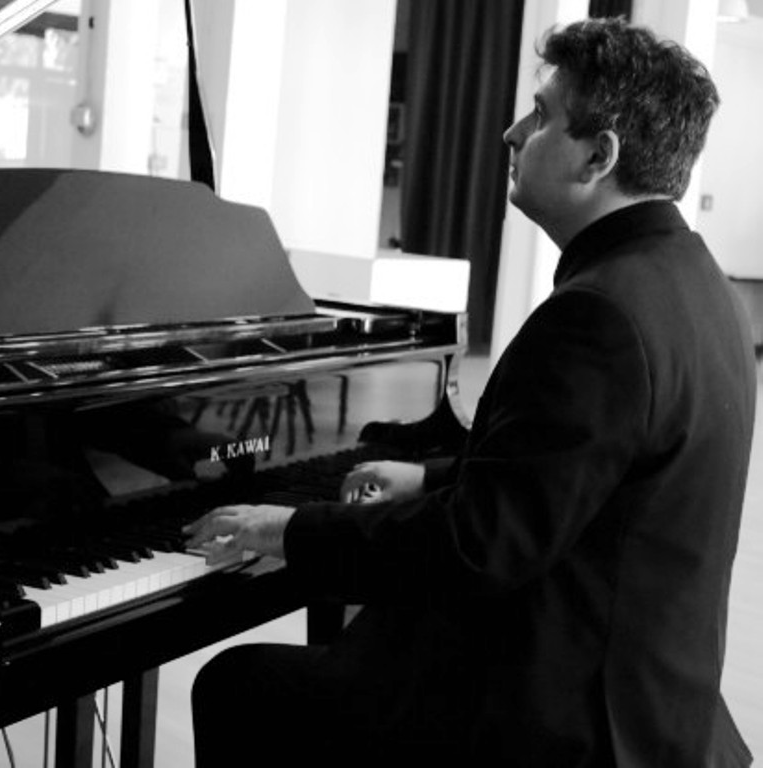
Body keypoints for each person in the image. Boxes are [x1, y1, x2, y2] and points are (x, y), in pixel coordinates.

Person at [184, 16, 756, 767]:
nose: (512, 134)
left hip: (571, 726)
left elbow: (477, 548)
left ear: (599, 156)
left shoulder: (599, 315)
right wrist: (430, 478)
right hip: (656, 707)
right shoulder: (698, 284)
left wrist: (288, 530)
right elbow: (572, 476)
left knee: (239, 686)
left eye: (541, 116)